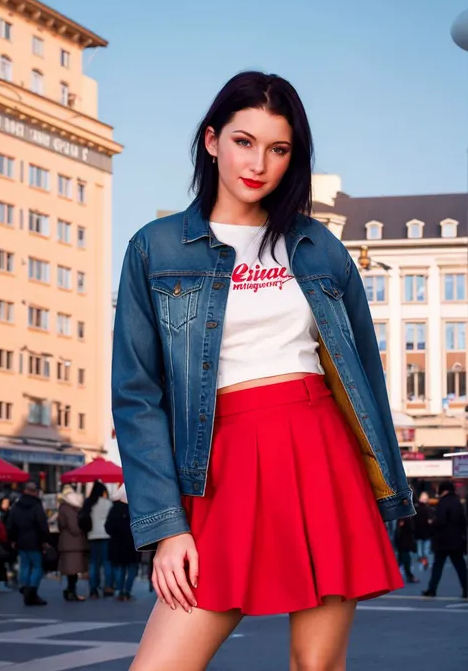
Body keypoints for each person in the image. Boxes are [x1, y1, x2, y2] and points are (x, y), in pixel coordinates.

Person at [112, 71, 415, 671]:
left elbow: (364, 381)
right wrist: (167, 526)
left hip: (318, 451)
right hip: (219, 465)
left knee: (317, 666)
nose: (259, 164)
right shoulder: (157, 248)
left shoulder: (319, 248)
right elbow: (136, 396)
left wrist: (386, 488)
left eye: (278, 149)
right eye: (243, 141)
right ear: (211, 141)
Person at [422, 480, 467, 599]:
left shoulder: (443, 502)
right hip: (456, 540)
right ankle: (466, 589)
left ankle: (432, 589)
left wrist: (432, 523)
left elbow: (440, 520)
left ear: (444, 490)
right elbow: (463, 521)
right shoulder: (458, 502)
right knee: (460, 566)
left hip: (442, 540)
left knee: (437, 566)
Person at [7, 481, 49, 606]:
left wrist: (12, 539)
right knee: (37, 566)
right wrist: (45, 539)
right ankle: (32, 589)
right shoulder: (36, 505)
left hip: (20, 539)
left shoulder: (16, 505)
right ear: (35, 492)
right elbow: (42, 523)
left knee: (24, 565)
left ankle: (25, 586)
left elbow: (10, 524)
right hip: (35, 539)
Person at [105, 484, 141, 600]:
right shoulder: (137, 508)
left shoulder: (114, 509)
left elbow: (108, 527)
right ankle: (127, 591)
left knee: (119, 568)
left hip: (117, 543)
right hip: (133, 543)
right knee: (131, 568)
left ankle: (119, 590)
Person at [81, 480, 113, 599]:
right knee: (106, 562)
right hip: (105, 535)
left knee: (93, 563)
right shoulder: (107, 503)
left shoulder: (88, 503)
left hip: (92, 535)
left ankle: (93, 589)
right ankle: (108, 587)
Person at [57, 485, 88, 601]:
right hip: (73, 544)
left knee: (71, 571)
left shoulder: (63, 508)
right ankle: (71, 591)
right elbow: (74, 527)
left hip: (67, 544)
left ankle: (70, 591)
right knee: (73, 571)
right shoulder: (69, 510)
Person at [394, 518, 419, 584]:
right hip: (404, 543)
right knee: (406, 560)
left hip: (403, 542)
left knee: (401, 560)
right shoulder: (404, 518)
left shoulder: (404, 517)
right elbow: (400, 531)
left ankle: (393, 575)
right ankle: (409, 576)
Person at [414, 492, 433, 570]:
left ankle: (420, 558)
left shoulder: (416, 509)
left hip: (418, 531)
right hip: (426, 531)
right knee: (426, 547)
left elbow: (414, 520)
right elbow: (430, 521)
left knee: (419, 545)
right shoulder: (429, 509)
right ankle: (425, 559)